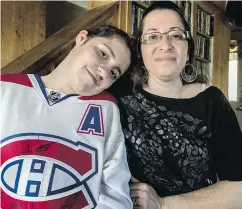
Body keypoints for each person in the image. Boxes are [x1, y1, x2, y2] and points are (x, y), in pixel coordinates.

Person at [109, 1, 242, 209]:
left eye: (176, 35)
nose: (165, 45)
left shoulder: (212, 100)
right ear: (140, 49)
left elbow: (239, 189)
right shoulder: (118, 96)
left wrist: (162, 204)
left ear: (188, 47)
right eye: (153, 36)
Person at [0, 25, 136, 209]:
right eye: (103, 54)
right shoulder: (6, 89)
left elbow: (116, 196)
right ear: (81, 38)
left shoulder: (106, 109)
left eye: (113, 73)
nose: (104, 72)